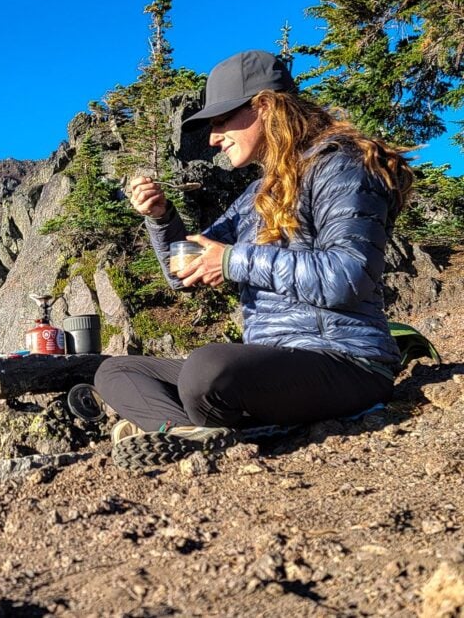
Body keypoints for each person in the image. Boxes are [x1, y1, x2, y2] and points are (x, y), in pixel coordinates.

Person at [93, 49, 414, 468]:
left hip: (346, 363)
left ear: (263, 106)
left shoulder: (343, 168)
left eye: (222, 120)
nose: (213, 137)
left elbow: (348, 276)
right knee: (115, 372)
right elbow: (184, 270)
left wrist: (232, 261)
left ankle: (190, 427)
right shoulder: (254, 196)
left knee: (208, 368)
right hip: (271, 365)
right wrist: (161, 217)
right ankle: (195, 438)